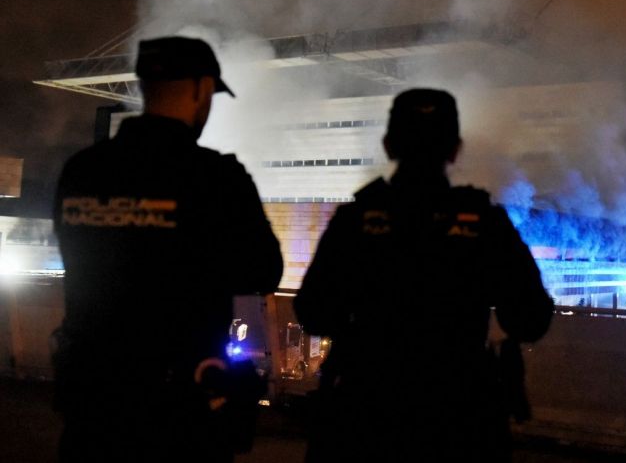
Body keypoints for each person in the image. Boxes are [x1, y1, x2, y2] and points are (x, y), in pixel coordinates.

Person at [52, 36, 284, 463]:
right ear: (200, 88)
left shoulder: (82, 171)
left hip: (93, 405)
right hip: (180, 412)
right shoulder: (216, 178)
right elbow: (264, 270)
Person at [294, 88, 553, 463]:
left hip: (366, 413)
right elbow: (531, 319)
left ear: (388, 145)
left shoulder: (358, 219)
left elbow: (313, 311)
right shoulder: (481, 221)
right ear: (455, 149)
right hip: (458, 416)